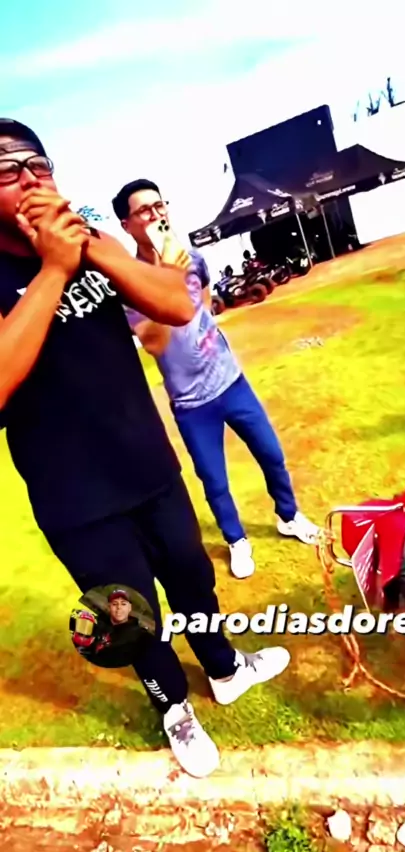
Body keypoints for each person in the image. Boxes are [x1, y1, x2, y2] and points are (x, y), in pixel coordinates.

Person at [0, 119, 290, 778]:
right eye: (9, 172)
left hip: (149, 465)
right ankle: (173, 707)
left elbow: (176, 306)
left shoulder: (89, 240)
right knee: (130, 615)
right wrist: (53, 269)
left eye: (39, 166)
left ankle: (224, 668)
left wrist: (90, 250)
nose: (32, 181)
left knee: (193, 577)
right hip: (76, 500)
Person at [112, 179, 319, 580]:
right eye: (144, 211)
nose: (156, 215)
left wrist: (197, 313)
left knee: (271, 454)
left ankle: (289, 516)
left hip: (231, 380)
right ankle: (237, 540)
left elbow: (205, 300)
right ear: (127, 225)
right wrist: (168, 279)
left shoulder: (191, 257)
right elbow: (153, 341)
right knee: (214, 480)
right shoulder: (131, 282)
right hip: (192, 404)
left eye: (159, 205)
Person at [70, 589, 152, 668]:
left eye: (123, 604)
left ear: (129, 608)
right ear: (109, 607)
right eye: (115, 604)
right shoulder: (101, 623)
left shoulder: (136, 635)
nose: (119, 607)